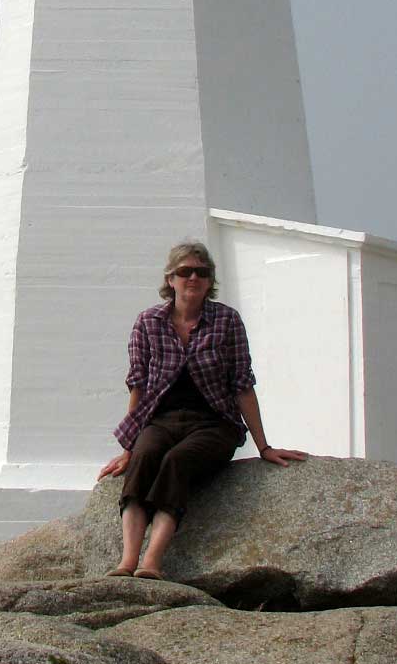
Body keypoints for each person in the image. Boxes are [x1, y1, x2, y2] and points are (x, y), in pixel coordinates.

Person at [97, 241, 308, 579]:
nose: (193, 277)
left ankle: (151, 562)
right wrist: (129, 447)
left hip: (214, 423)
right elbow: (137, 382)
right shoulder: (149, 321)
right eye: (184, 272)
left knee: (176, 462)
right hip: (161, 419)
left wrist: (264, 446)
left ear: (211, 280)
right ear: (171, 279)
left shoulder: (227, 321)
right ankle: (127, 561)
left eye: (202, 272)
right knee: (145, 458)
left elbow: (242, 384)